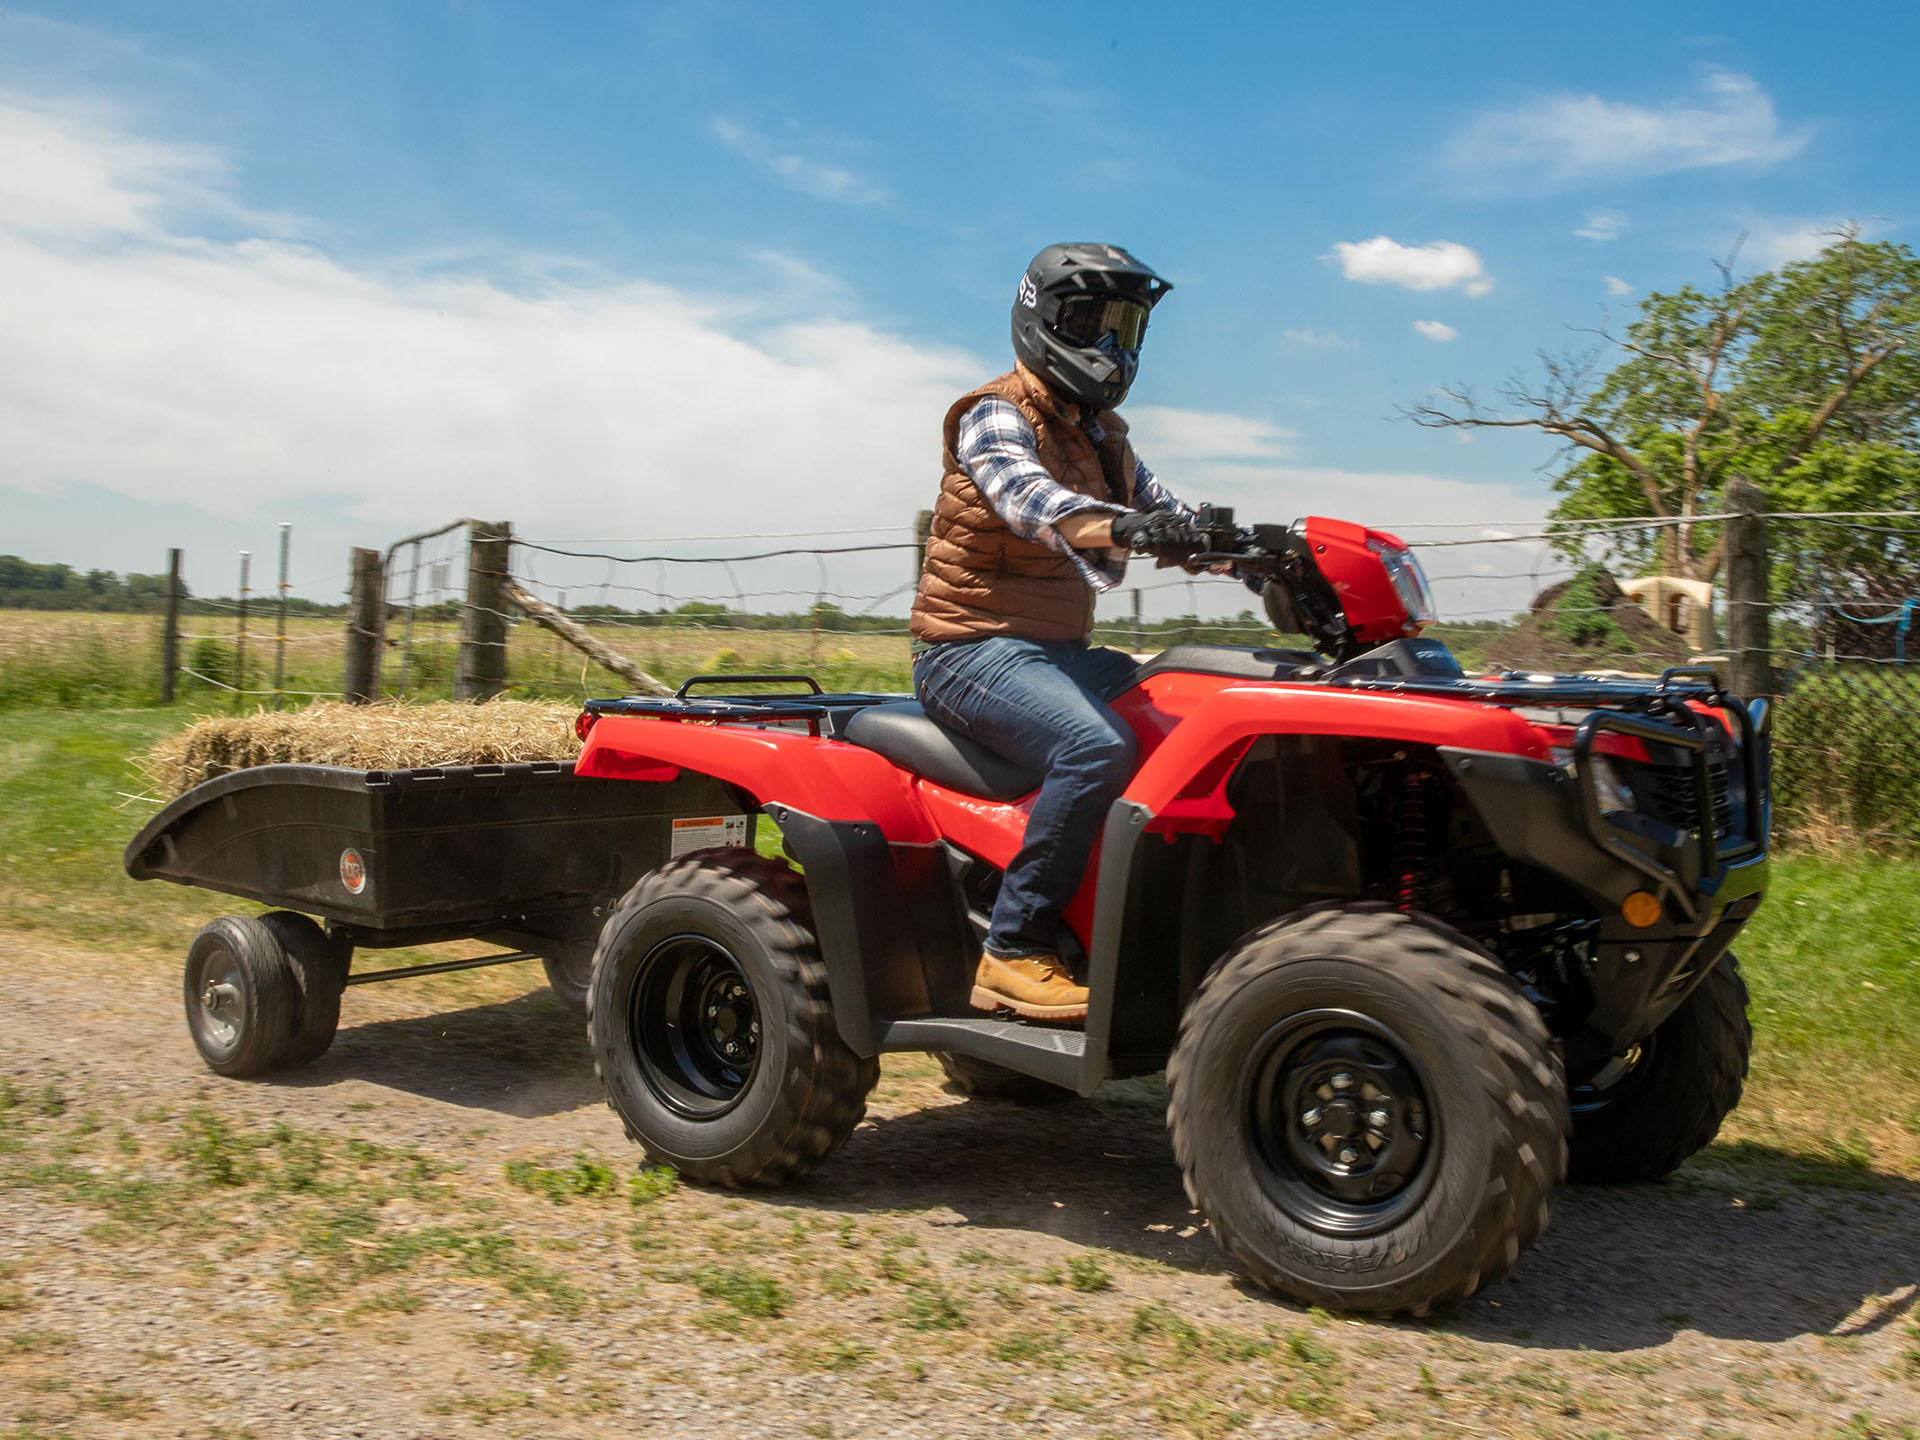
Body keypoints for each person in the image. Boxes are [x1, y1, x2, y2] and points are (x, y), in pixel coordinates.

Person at [908, 242, 1207, 1023]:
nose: (1110, 347)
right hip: (968, 651)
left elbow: (1171, 510)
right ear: (1041, 318)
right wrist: (1137, 528)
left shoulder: (1104, 434)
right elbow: (1032, 501)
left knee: (1196, 704)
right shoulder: (994, 414)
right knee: (1094, 746)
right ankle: (1014, 949)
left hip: (1053, 654)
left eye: (1125, 328)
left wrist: (1259, 551)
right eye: (1091, 323)